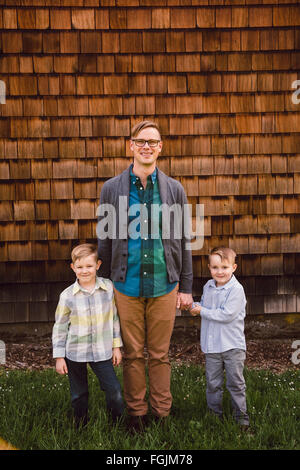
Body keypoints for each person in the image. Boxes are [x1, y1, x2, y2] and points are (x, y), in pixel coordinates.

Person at [97, 120, 193, 432]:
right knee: (134, 353)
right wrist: (105, 284)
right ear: (131, 146)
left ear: (160, 148)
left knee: (160, 353)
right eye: (141, 141)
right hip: (126, 284)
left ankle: (162, 414)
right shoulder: (111, 189)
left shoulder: (174, 189)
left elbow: (183, 240)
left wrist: (187, 287)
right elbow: (105, 239)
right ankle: (136, 415)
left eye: (153, 141)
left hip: (165, 284)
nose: (147, 146)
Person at [52, 243, 124, 428]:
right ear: (73, 267)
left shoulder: (108, 288)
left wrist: (116, 346)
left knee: (114, 389)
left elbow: (114, 318)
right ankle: (80, 425)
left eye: (89, 266)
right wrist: (59, 357)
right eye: (80, 267)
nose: (85, 271)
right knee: (79, 393)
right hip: (75, 351)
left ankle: (116, 423)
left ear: (98, 265)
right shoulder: (67, 296)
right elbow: (60, 327)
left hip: (102, 350)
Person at [190, 246, 250, 429]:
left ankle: (241, 420)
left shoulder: (236, 290)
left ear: (234, 267)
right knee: (213, 383)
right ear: (209, 268)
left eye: (224, 267)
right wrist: (192, 305)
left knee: (235, 384)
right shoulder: (208, 286)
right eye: (215, 267)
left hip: (232, 346)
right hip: (212, 346)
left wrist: (202, 311)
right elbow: (206, 307)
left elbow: (226, 315)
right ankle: (214, 416)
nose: (220, 272)